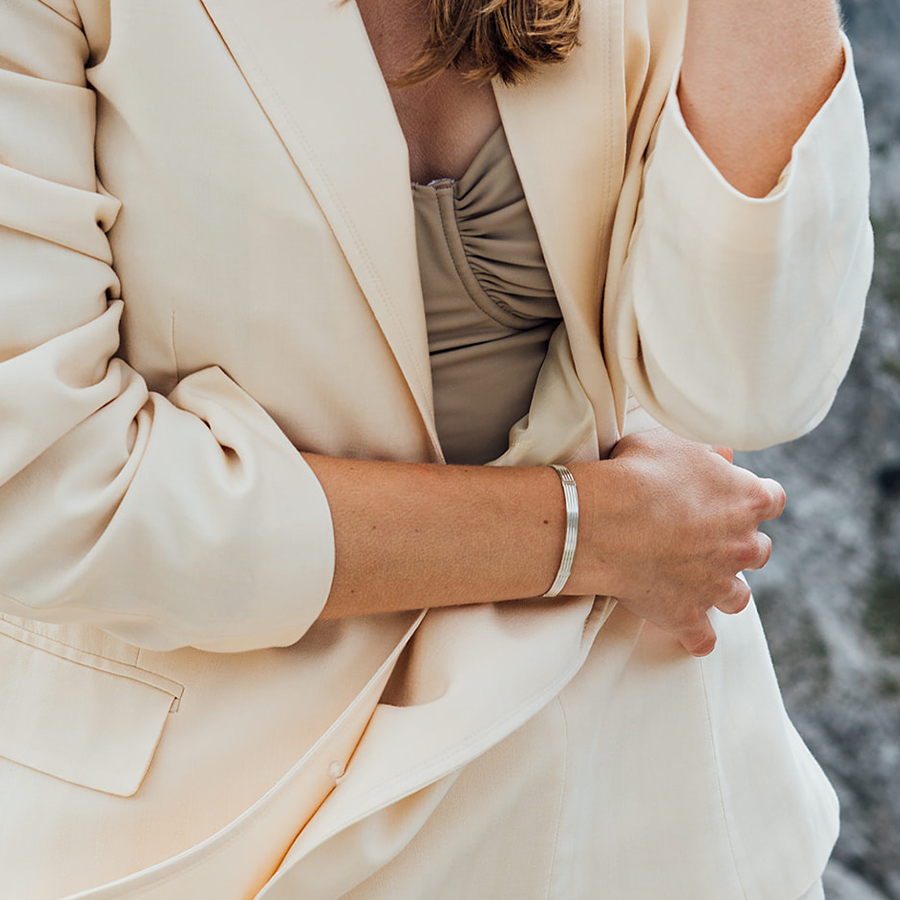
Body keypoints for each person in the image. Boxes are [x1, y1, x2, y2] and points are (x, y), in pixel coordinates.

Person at [0, 0, 872, 898]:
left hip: (643, 810)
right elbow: (47, 493)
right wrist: (593, 531)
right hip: (219, 834)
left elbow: (749, 379)